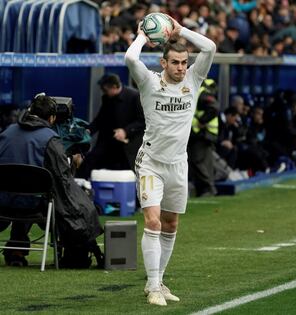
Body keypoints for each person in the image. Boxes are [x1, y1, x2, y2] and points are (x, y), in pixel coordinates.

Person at [124, 16, 216, 305]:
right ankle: (152, 287)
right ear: (163, 63)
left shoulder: (194, 79)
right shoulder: (149, 82)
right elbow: (129, 57)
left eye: (184, 62)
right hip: (151, 161)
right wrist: (142, 37)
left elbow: (210, 47)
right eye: (174, 62)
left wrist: (181, 30)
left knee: (171, 223)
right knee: (153, 221)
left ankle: (160, 281)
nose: (180, 67)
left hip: (178, 164)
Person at [0, 94, 102, 266]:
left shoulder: (6, 133)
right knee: (62, 199)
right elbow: (63, 180)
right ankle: (74, 252)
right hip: (34, 204)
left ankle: (17, 250)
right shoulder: (49, 139)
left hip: (3, 202)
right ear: (52, 118)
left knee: (26, 190)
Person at [76, 73, 145, 179]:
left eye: (105, 90)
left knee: (127, 174)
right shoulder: (107, 98)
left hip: (127, 145)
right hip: (108, 141)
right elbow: (100, 119)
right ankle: (79, 185)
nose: (104, 92)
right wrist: (90, 130)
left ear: (114, 87)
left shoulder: (134, 97)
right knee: (89, 162)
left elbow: (142, 121)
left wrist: (126, 131)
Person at [188, 78, 219, 197]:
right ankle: (205, 189)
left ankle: (208, 189)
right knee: (203, 162)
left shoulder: (202, 93)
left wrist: (202, 121)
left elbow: (214, 108)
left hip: (202, 133)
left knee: (198, 161)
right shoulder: (200, 92)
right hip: (202, 133)